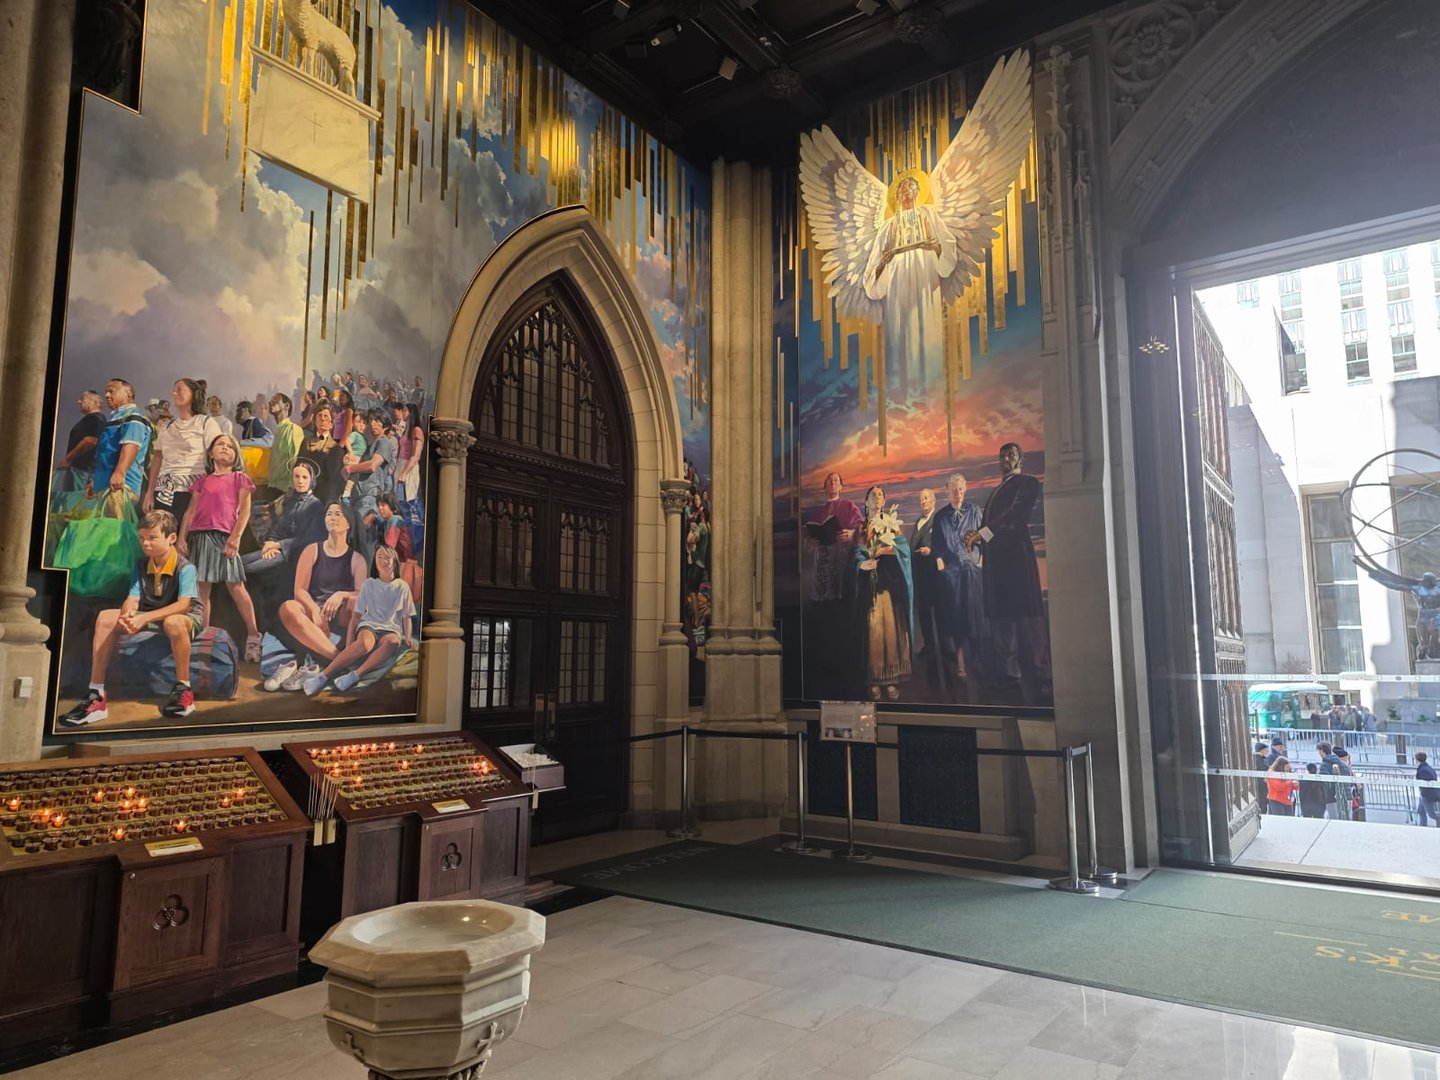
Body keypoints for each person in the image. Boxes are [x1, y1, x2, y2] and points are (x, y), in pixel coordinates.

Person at [59, 509, 205, 726]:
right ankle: (96, 695)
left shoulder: (186, 568)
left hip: (182, 616)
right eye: (142, 538)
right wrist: (127, 614)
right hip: (150, 614)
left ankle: (184, 690)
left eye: (152, 538)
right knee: (106, 618)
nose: (145, 543)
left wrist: (143, 619)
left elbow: (183, 605)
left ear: (171, 538)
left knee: (173, 623)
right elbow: (133, 597)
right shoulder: (141, 565)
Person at [862, 172, 959, 401]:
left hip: (925, 275)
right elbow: (874, 269)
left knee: (927, 327)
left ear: (918, 191)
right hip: (897, 280)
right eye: (902, 187)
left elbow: (946, 249)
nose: (906, 189)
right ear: (896, 196)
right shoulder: (888, 227)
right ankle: (903, 392)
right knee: (901, 332)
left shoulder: (928, 214)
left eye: (910, 185)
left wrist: (935, 247)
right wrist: (884, 262)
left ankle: (932, 389)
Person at [966, 443, 1051, 698]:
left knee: (1028, 620)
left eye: (1010, 454)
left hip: (1017, 565)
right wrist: (977, 539)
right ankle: (1010, 678)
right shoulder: (997, 490)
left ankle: (1041, 677)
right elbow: (992, 525)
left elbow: (1014, 515)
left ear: (1020, 459)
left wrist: (981, 534)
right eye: (1002, 455)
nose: (1005, 459)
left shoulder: (1028, 483)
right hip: (997, 568)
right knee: (1003, 622)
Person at [177, 433, 262, 663]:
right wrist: (182, 537)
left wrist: (235, 538)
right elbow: (190, 512)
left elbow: (244, 511)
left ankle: (253, 635)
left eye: (230, 446)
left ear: (236, 455)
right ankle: (202, 638)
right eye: (220, 445)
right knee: (201, 590)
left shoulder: (239, 479)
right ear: (211, 453)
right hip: (200, 537)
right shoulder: (202, 482)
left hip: (225, 537)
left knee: (236, 585)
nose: (225, 448)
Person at [267, 501, 368, 691]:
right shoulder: (312, 550)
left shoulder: (357, 559)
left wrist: (341, 595)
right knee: (288, 607)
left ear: (348, 523)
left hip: (341, 615)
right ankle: (339, 660)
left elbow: (362, 593)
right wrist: (314, 609)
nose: (332, 518)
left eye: (338, 514)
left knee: (356, 601)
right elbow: (300, 590)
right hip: (311, 612)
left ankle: (330, 662)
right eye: (329, 514)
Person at [301, 544, 415, 696]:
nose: (383, 561)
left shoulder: (402, 586)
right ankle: (322, 677)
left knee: (393, 642)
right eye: (379, 557)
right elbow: (356, 617)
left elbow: (407, 615)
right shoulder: (369, 584)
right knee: (365, 644)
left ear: (394, 560)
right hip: (369, 626)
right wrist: (349, 644)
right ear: (375, 563)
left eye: (387, 557)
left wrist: (408, 637)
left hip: (391, 629)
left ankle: (354, 675)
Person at [853, 485, 913, 701]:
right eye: (873, 494)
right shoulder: (861, 527)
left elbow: (904, 550)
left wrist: (888, 550)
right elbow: (856, 553)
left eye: (880, 494)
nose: (877, 497)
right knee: (874, 629)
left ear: (884, 501)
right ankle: (874, 679)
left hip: (890, 584)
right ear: (866, 502)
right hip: (871, 585)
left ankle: (892, 678)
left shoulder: (891, 524)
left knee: (892, 629)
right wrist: (862, 564)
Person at [932, 473, 986, 686]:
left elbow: (987, 534)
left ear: (965, 490)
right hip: (952, 574)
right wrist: (940, 563)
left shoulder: (974, 511)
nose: (957, 493)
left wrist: (982, 559)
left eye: (960, 489)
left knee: (975, 613)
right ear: (947, 491)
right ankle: (960, 661)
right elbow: (936, 545)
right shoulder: (940, 517)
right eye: (953, 489)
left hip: (972, 569)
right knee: (957, 615)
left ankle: (979, 658)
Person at [143, 378, 221, 524]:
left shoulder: (205, 423)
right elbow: (158, 458)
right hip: (163, 492)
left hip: (193, 494)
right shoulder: (167, 426)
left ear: (193, 394)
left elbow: (217, 458)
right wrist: (150, 492)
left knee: (187, 536)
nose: (174, 393)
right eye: (173, 390)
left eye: (179, 389)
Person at [242, 460, 327, 577]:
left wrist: (279, 545)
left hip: (297, 553)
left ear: (311, 480)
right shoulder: (289, 500)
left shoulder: (316, 506)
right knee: (238, 563)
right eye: (297, 476)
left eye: (304, 477)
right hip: (278, 550)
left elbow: (311, 539)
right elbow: (279, 526)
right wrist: (270, 543)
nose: (300, 481)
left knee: (248, 568)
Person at [88, 378, 152, 501]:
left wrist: (120, 473)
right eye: (106, 392)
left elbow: (131, 445)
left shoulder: (133, 417)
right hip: (104, 486)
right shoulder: (114, 418)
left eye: (112, 391)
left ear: (128, 393)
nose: (107, 395)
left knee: (116, 514)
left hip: (120, 486)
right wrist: (94, 481)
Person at [54, 389, 105, 498]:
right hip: (80, 472)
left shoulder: (95, 419)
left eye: (83, 399)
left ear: (94, 402)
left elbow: (90, 441)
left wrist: (68, 459)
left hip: (83, 473)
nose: (79, 402)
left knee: (77, 501)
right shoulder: (90, 419)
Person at [910, 488, 941, 659]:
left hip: (934, 573)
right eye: (921, 499)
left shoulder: (939, 519)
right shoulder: (918, 521)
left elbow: (946, 543)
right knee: (923, 611)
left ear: (933, 500)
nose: (923, 501)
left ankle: (944, 648)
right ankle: (929, 645)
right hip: (920, 573)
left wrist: (931, 551)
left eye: (926, 498)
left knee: (938, 610)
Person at [266, 393, 305, 496]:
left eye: (275, 400)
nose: (271, 403)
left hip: (286, 491)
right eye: (270, 401)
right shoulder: (278, 431)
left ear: (286, 406)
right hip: (274, 488)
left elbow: (296, 461)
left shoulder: (293, 429)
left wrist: (292, 490)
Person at [1415, 751, 1439, 826]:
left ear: (1417, 760)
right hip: (1428, 793)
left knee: (1431, 814)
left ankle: (1437, 820)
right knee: (1421, 810)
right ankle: (1422, 825)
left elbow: (1425, 782)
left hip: (1427, 795)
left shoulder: (1422, 770)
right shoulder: (1428, 768)